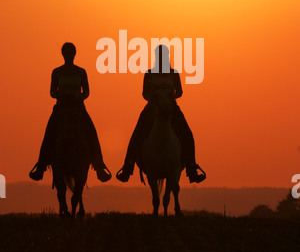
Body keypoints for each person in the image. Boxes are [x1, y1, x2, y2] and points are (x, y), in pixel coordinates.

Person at [116, 45, 206, 184]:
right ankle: (128, 166)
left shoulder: (173, 73)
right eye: (159, 55)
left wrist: (169, 97)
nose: (161, 58)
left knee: (187, 134)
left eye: (163, 55)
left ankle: (191, 167)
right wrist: (154, 99)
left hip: (171, 107)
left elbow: (180, 92)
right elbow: (144, 93)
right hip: (153, 107)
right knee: (137, 133)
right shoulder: (149, 73)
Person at [29, 42, 111, 182]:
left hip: (77, 108)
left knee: (91, 131)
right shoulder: (56, 72)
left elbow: (86, 91)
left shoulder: (81, 71)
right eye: (66, 53)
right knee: (49, 132)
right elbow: (52, 90)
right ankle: (41, 166)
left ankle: (99, 166)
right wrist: (57, 95)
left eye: (71, 53)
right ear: (63, 55)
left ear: (74, 54)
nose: (68, 55)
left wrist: (79, 97)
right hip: (61, 107)